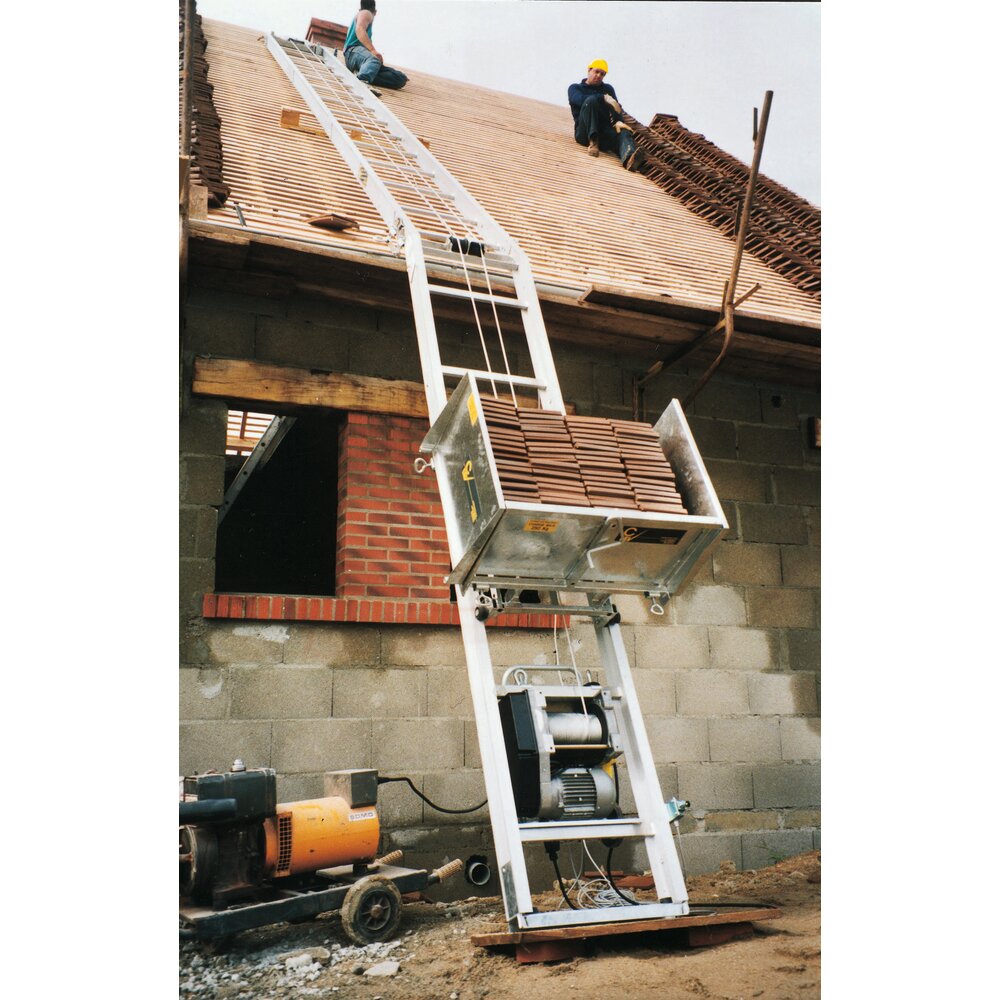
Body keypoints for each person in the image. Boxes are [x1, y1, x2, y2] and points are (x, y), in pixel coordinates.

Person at [567, 59, 646, 171]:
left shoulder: (608, 89)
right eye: (596, 72)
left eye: (602, 74)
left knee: (623, 130)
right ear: (589, 70)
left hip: (603, 134)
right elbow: (579, 100)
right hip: (584, 134)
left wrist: (619, 121)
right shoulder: (575, 88)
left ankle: (630, 159)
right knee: (591, 101)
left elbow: (616, 108)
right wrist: (603, 97)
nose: (599, 76)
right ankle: (593, 142)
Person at [343, 0, 408, 91]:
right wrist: (373, 51)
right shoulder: (366, 12)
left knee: (399, 78)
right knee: (373, 59)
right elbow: (360, 29)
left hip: (360, 59)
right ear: (375, 12)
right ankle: (362, 80)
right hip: (353, 52)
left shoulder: (363, 13)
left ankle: (361, 73)